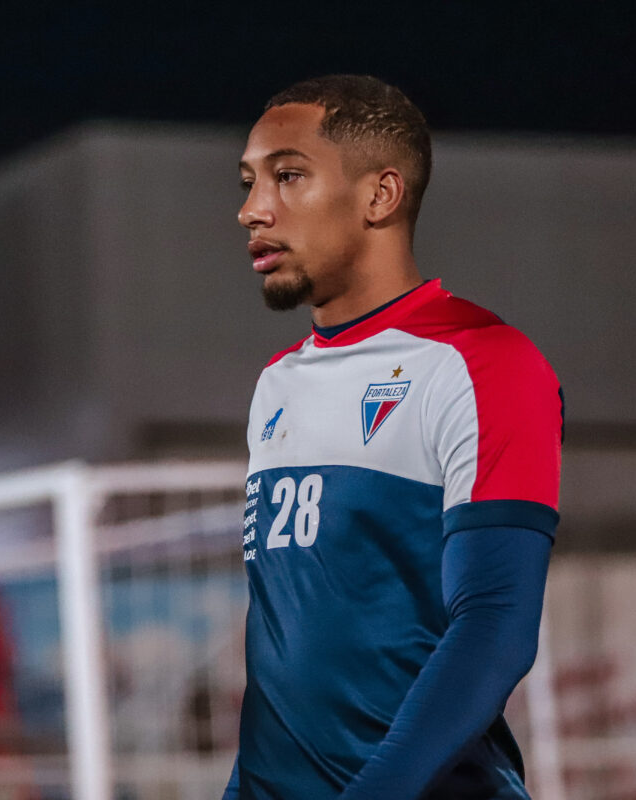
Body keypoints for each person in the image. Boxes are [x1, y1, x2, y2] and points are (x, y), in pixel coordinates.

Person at [227, 75, 562, 800]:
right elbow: (287, 645)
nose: (253, 210)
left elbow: (496, 625)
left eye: (288, 176)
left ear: (380, 196)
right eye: (251, 182)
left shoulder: (486, 361)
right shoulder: (276, 385)